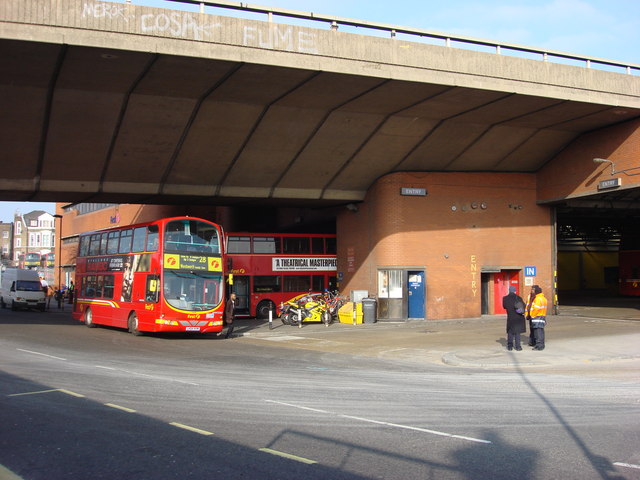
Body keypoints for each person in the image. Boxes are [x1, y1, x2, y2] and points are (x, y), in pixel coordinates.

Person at [502, 285, 526, 351]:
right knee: (517, 333)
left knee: (510, 332)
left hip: (510, 317)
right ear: (515, 291)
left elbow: (504, 306)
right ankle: (518, 347)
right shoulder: (518, 298)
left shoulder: (505, 298)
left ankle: (510, 346)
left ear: (509, 290)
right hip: (518, 317)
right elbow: (524, 306)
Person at [528, 285, 548, 350]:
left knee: (538, 332)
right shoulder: (543, 298)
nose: (532, 291)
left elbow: (536, 309)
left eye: (533, 290)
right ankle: (541, 344)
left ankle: (539, 346)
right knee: (541, 331)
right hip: (542, 316)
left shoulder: (538, 299)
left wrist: (532, 315)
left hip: (537, 317)